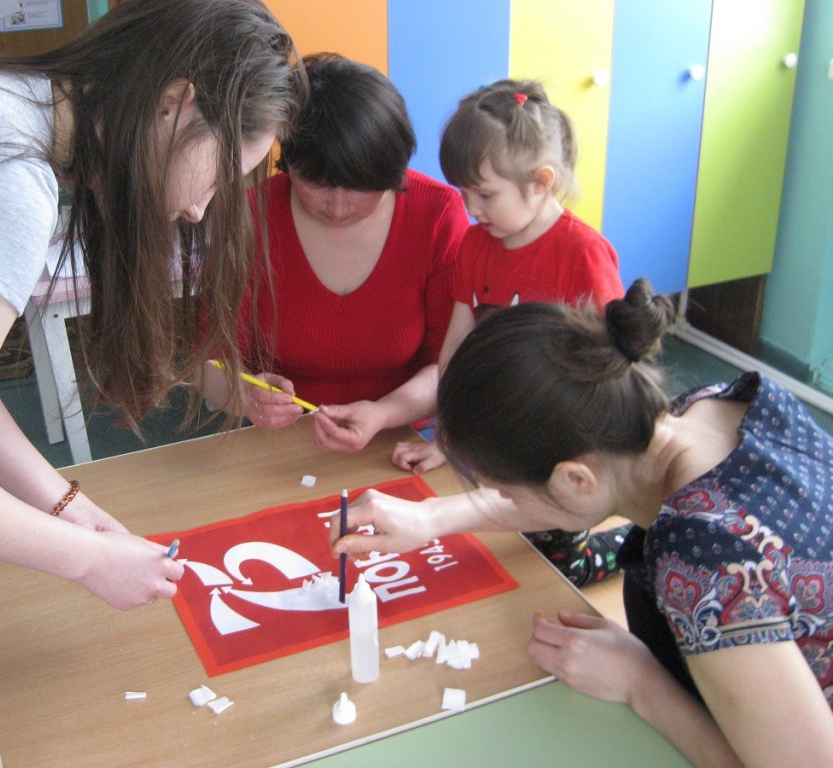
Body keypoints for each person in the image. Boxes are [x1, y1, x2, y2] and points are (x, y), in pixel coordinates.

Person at [0, 0, 306, 764]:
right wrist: (86, 560)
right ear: (175, 104)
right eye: (218, 177)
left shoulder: (12, 105)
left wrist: (68, 507)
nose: (198, 208)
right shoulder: (3, 178)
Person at [334, 280, 833, 766]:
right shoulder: (710, 406)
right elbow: (568, 493)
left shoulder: (707, 568)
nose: (503, 500)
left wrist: (641, 682)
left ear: (575, 479)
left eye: (507, 491)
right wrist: (431, 516)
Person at [391, 78, 628, 586]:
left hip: (558, 438)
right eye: (463, 192)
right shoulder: (476, 244)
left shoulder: (583, 254)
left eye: (485, 194)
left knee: (558, 566)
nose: (471, 209)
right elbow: (457, 344)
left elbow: (612, 371)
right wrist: (446, 435)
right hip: (497, 431)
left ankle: (632, 543)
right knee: (482, 551)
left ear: (541, 182)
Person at [200, 53, 470, 452]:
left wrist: (383, 413)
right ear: (289, 164)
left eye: (361, 187)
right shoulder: (250, 216)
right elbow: (210, 364)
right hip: (278, 443)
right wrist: (245, 395)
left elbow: (450, 365)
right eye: (316, 184)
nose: (338, 207)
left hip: (400, 440)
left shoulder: (437, 215)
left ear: (394, 172)